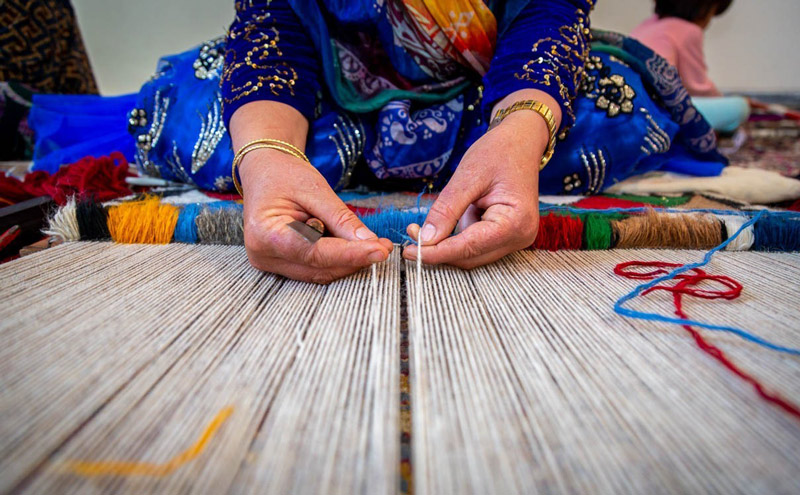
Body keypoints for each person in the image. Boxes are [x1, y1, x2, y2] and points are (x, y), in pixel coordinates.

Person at [28, 0, 728, 283]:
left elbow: (548, 14)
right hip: (331, 92)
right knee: (201, 110)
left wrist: (521, 129)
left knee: (617, 106)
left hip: (496, 85)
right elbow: (272, 29)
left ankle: (492, 150)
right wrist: (268, 156)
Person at [631, 0, 748, 133]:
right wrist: (722, 100)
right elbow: (698, 87)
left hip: (630, 106)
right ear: (703, 8)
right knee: (740, 107)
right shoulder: (688, 30)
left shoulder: (648, 24)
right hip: (656, 111)